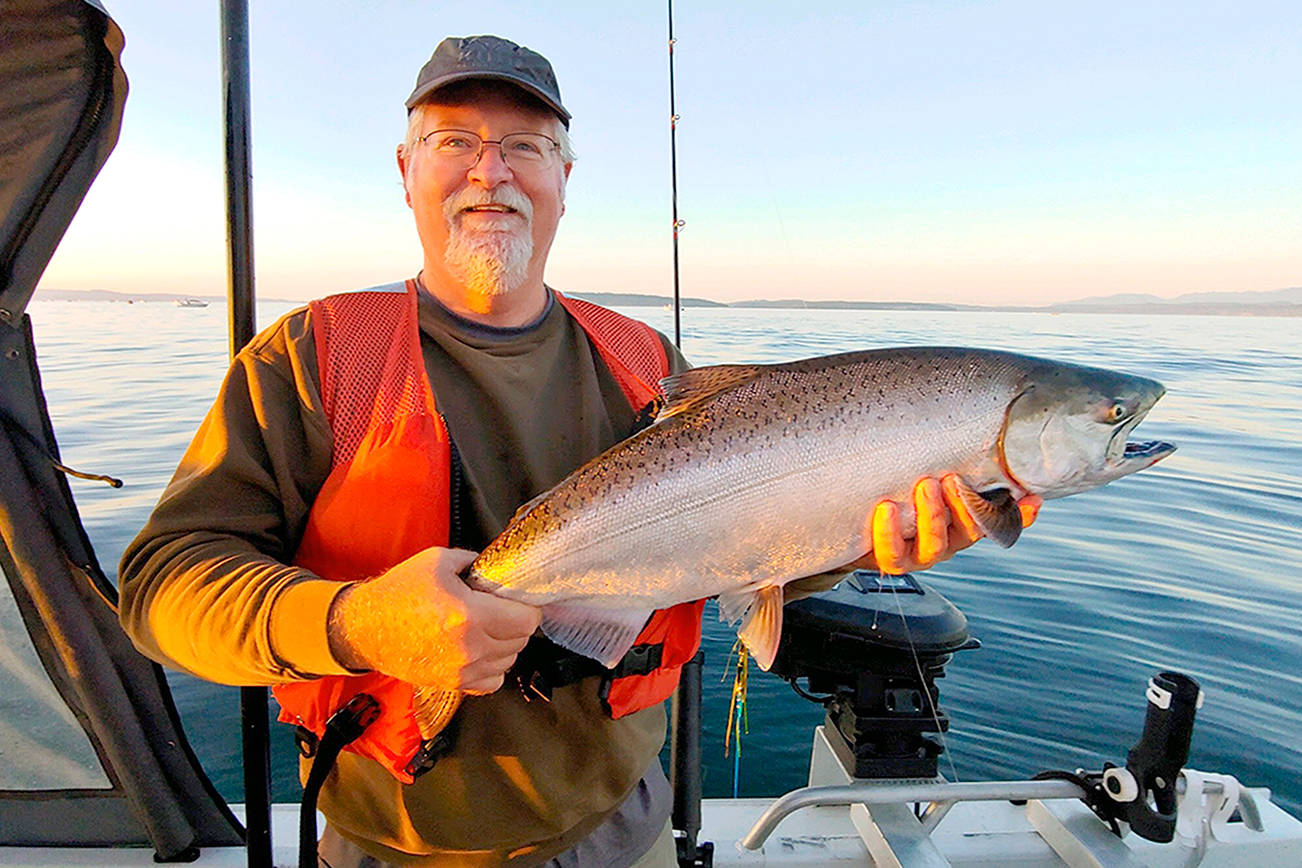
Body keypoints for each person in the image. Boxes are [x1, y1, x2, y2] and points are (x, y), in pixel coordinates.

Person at [118, 35, 1039, 868]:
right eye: (455, 141)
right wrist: (353, 623)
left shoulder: (647, 365)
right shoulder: (314, 356)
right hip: (390, 846)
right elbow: (161, 589)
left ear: (564, 176)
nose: (491, 172)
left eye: (525, 146)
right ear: (406, 170)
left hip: (624, 829)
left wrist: (855, 544)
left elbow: (736, 549)